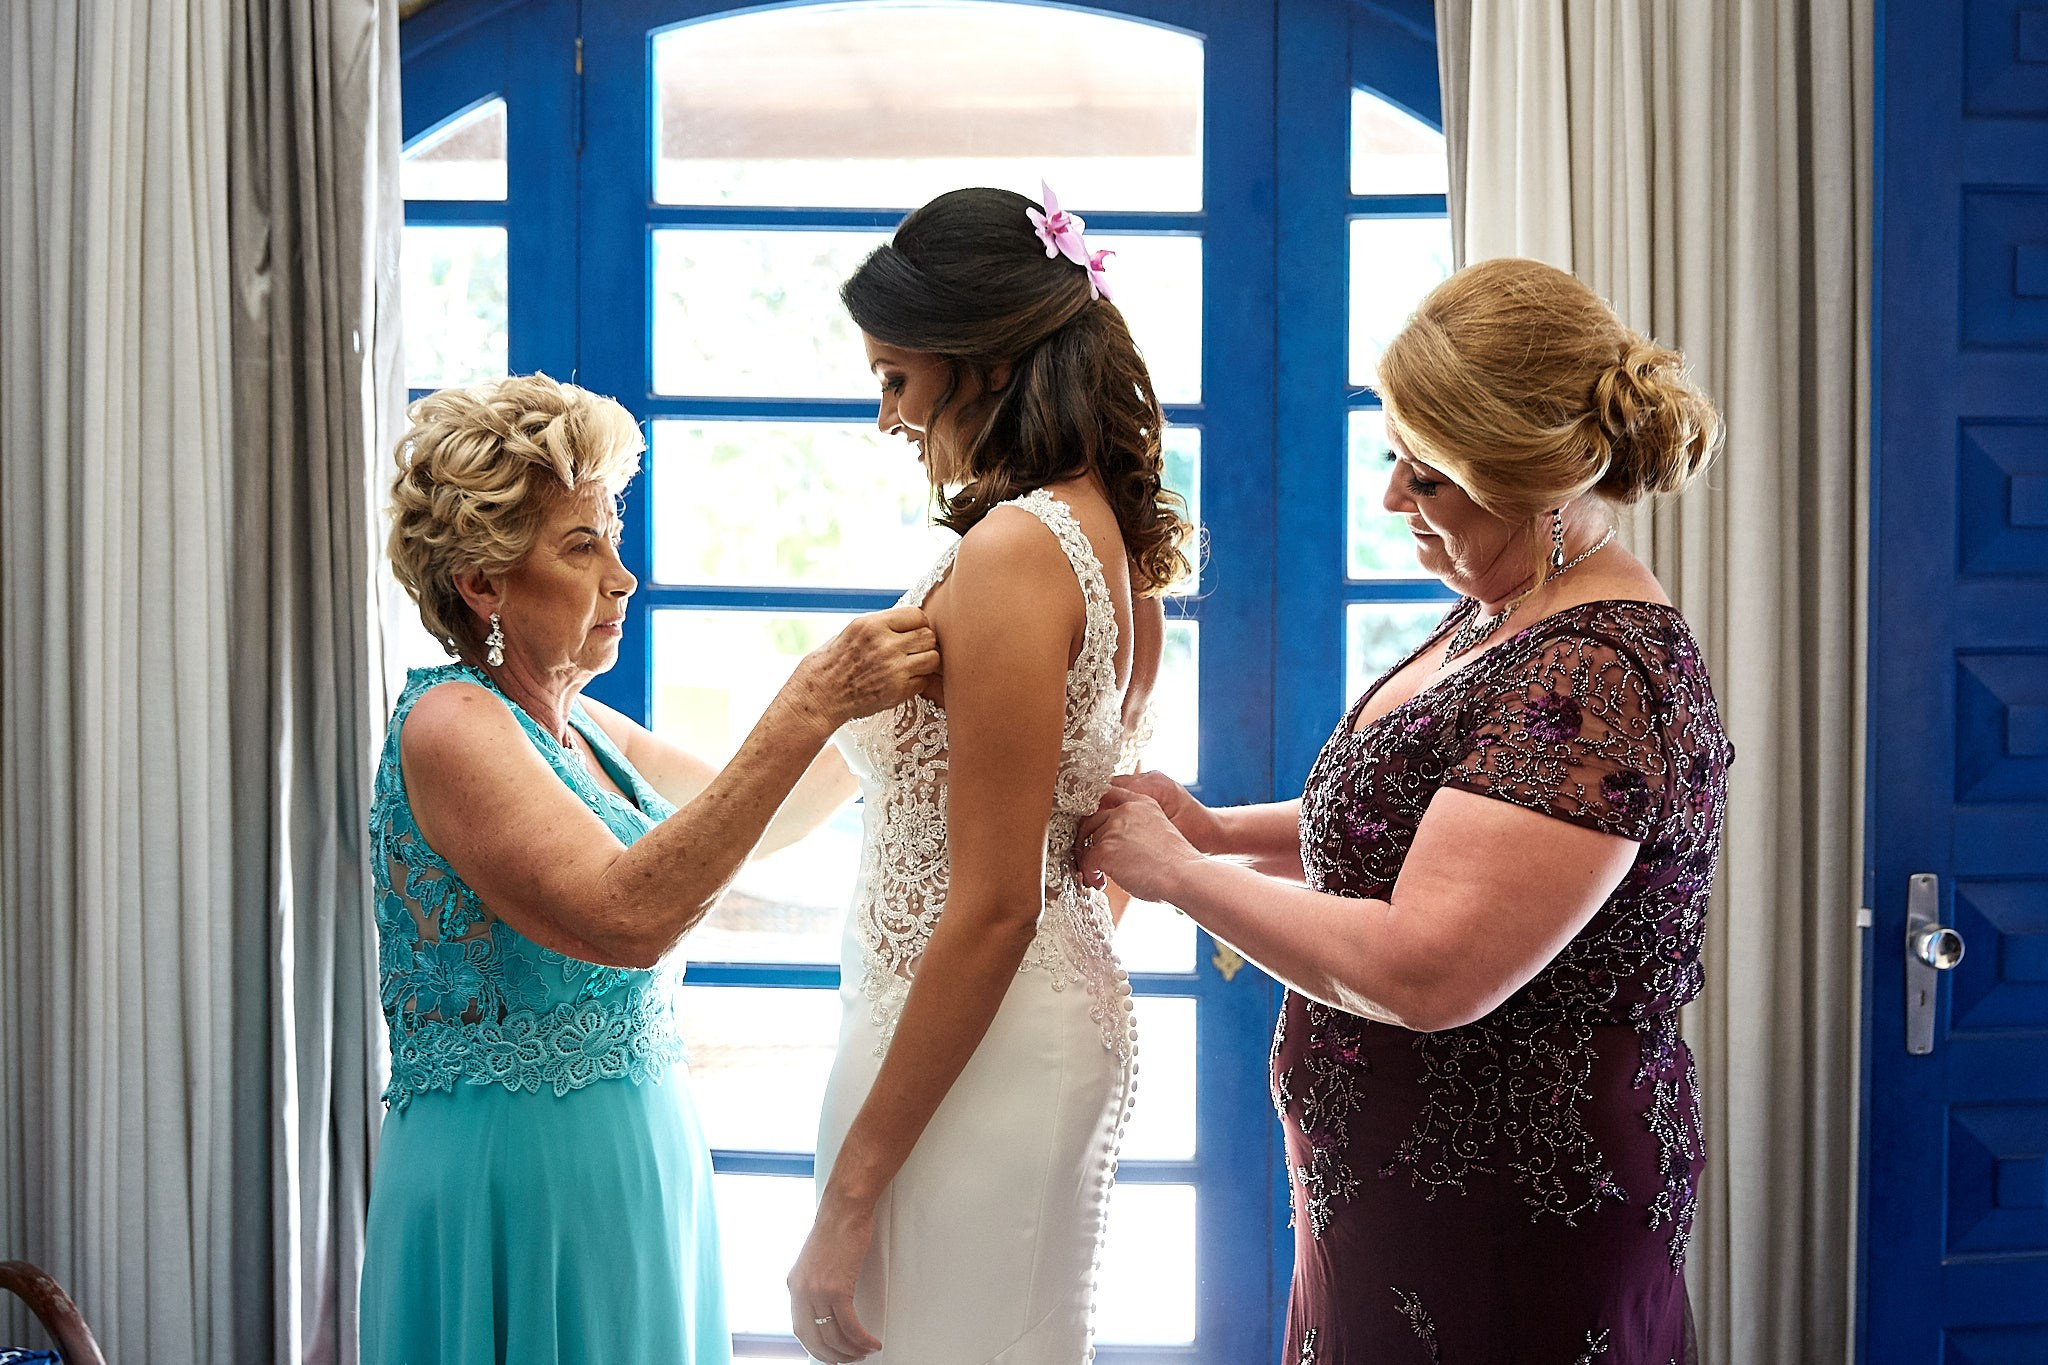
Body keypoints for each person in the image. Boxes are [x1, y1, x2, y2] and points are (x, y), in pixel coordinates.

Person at [1078, 257, 1733, 1363]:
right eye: (1395, 458)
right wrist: (1211, 826)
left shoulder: (1591, 675)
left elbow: (1428, 968)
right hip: (1397, 1197)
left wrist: (1182, 878)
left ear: (1532, 481)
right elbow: (1431, 822)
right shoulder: (1508, 607)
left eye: (1425, 478)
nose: (1390, 499)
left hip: (1509, 1215)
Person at [361, 374, 938, 1364]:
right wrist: (805, 704)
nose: (623, 578)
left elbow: (759, 822)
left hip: (637, 1169)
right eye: (582, 547)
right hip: (514, 1190)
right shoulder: (448, 723)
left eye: (612, 543)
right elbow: (624, 918)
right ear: (483, 582)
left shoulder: (580, 725)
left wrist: (908, 677)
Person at [785, 186, 1191, 1365]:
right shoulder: (1105, 544)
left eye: (895, 379)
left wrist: (853, 1190)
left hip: (968, 1039)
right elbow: (1083, 840)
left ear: (981, 363)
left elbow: (1001, 895)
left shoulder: (1016, 551)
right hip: (1002, 1025)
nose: (886, 418)